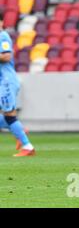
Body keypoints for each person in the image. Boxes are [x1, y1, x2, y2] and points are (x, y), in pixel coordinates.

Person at [0, 10, 35, 157]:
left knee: (9, 115)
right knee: (9, 116)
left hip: (6, 81)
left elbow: (6, 56)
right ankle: (19, 129)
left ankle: (27, 146)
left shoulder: (2, 36)